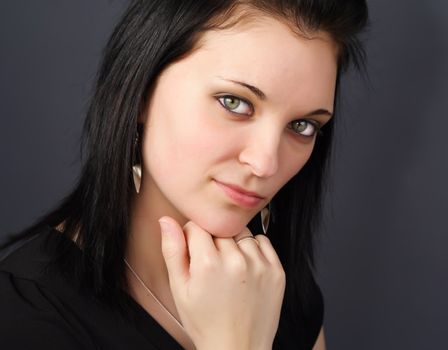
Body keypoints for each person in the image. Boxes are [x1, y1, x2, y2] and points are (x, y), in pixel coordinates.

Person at [0, 0, 368, 349]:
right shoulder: (25, 319)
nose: (266, 163)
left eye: (302, 125)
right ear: (141, 90)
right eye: (234, 102)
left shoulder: (277, 290)